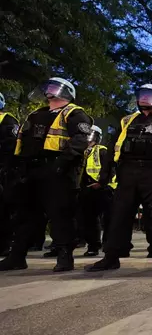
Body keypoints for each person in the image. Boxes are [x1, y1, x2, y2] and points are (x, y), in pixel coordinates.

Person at [86, 84, 152, 272]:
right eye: (142, 95)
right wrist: (105, 177)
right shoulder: (127, 121)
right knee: (118, 216)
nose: (145, 99)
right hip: (127, 173)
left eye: (149, 95)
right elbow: (113, 148)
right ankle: (111, 256)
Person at [0, 78, 92, 272]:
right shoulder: (37, 114)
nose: (50, 91)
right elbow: (22, 141)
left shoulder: (75, 113)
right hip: (31, 169)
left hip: (58, 171)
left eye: (54, 88)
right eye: (48, 88)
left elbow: (79, 142)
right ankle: (17, 256)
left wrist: (61, 165)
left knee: (60, 215)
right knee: (25, 215)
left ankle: (65, 257)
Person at [79, 125, 116, 256]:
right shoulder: (80, 151)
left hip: (104, 189)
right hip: (86, 189)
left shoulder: (102, 151)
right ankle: (93, 245)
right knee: (89, 219)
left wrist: (101, 183)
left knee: (109, 219)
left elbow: (110, 169)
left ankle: (109, 245)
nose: (88, 140)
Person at [0, 92, 19, 256]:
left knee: (3, 209)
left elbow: (12, 147)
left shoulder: (8, 120)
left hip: (3, 171)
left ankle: (4, 244)